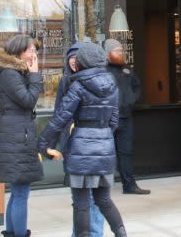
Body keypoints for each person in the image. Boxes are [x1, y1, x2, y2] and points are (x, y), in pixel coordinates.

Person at [38, 42, 127, 237]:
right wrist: (101, 134)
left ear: (82, 63)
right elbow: (114, 121)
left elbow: (60, 119)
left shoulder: (78, 86)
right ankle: (122, 234)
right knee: (104, 200)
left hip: (81, 149)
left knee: (81, 204)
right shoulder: (112, 85)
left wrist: (43, 143)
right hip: (105, 147)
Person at [0, 35, 43, 237]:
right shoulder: (10, 74)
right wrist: (35, 75)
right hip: (16, 135)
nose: (34, 54)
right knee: (21, 192)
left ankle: (13, 233)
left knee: (17, 191)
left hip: (16, 133)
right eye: (31, 50)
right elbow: (28, 100)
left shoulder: (13, 73)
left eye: (34, 50)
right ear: (18, 51)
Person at [53, 42, 105, 237]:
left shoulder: (99, 82)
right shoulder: (65, 82)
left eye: (77, 58)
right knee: (80, 199)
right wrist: (60, 143)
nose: (74, 62)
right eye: (71, 59)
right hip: (73, 148)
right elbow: (60, 114)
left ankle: (95, 233)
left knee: (95, 197)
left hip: (94, 146)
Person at [105, 39, 150, 195]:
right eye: (117, 51)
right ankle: (101, 187)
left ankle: (129, 186)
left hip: (126, 117)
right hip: (108, 119)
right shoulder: (102, 71)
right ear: (108, 54)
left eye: (121, 51)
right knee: (104, 153)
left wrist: (132, 100)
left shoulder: (127, 70)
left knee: (126, 153)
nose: (121, 53)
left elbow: (137, 86)